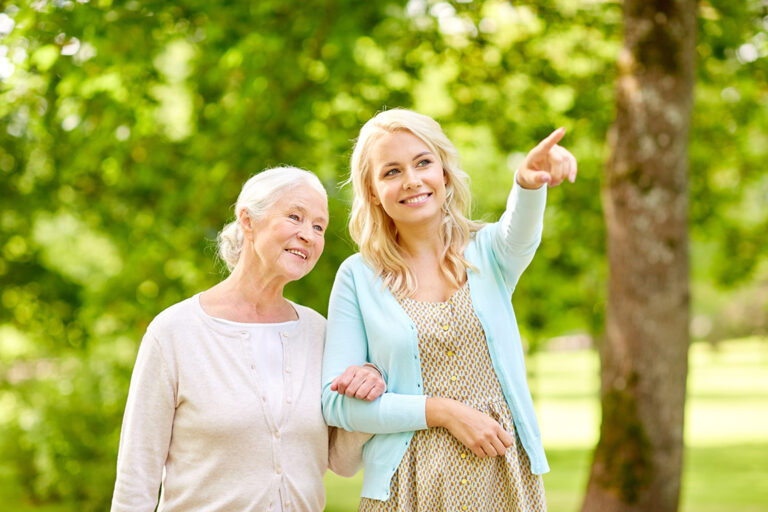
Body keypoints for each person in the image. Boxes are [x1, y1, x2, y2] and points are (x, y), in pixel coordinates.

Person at [321, 109, 577, 511]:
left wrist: (528, 181)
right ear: (372, 191)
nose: (412, 180)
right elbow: (337, 403)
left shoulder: (491, 253)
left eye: (423, 162)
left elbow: (522, 227)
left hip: (503, 479)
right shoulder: (357, 277)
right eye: (391, 172)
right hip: (405, 489)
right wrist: (442, 412)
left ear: (443, 172)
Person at [111, 167, 385, 512]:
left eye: (319, 226)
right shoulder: (174, 333)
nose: (308, 235)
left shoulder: (320, 333)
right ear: (248, 221)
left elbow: (341, 463)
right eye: (295, 216)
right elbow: (137, 479)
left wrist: (369, 387)